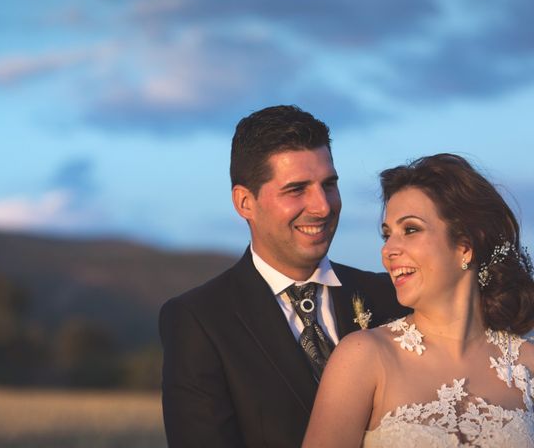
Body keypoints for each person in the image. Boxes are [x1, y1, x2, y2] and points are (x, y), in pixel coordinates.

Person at [159, 105, 408, 447]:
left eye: (329, 185)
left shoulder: (392, 296)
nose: (322, 206)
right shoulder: (199, 320)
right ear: (245, 202)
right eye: (297, 190)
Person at [303, 153, 534, 447]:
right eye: (387, 235)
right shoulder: (364, 358)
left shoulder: (528, 366)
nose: (388, 250)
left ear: (465, 245)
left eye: (410, 229)